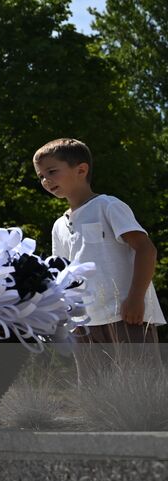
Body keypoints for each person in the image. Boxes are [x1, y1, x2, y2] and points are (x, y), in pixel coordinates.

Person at [33, 139, 163, 367]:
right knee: (94, 392)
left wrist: (135, 298)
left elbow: (146, 250)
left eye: (52, 171)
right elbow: (63, 277)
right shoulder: (58, 226)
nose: (45, 180)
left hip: (126, 316)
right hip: (83, 324)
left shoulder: (108, 206)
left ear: (81, 170)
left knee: (141, 386)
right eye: (41, 176)